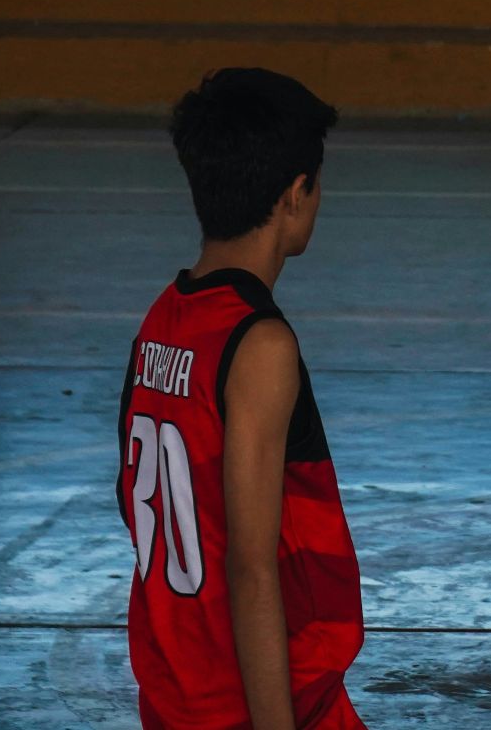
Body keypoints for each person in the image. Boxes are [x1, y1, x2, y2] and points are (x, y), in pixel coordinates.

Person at [119, 68, 364, 728]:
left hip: (178, 686)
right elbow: (253, 570)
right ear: (295, 194)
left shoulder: (161, 323)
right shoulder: (258, 346)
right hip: (260, 698)